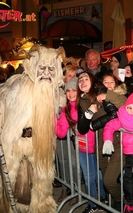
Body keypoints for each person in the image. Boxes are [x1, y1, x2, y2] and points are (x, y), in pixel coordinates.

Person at [77, 71, 127, 211]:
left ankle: (123, 202)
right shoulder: (83, 100)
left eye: (86, 78)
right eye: (80, 79)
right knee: (107, 182)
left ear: (92, 81)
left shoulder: (102, 95)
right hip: (101, 145)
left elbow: (119, 110)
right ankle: (115, 206)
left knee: (109, 181)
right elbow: (82, 128)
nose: (82, 81)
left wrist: (94, 124)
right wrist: (89, 113)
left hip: (117, 142)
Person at [55, 77, 79, 206]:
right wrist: (54, 117)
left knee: (75, 166)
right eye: (68, 90)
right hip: (67, 141)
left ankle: (76, 191)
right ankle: (66, 188)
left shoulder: (82, 105)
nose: (70, 93)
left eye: (74, 90)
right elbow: (61, 132)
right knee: (64, 163)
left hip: (79, 144)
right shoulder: (66, 108)